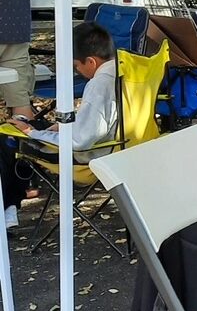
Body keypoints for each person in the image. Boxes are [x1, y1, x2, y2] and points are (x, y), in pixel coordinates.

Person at [3, 22, 119, 228]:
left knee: (8, 139)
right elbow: (101, 120)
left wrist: (32, 133)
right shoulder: (124, 71)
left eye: (76, 66)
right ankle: (10, 206)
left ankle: (8, 207)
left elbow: (79, 141)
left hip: (88, 156)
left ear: (91, 62)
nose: (77, 71)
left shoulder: (98, 85)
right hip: (118, 146)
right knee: (28, 128)